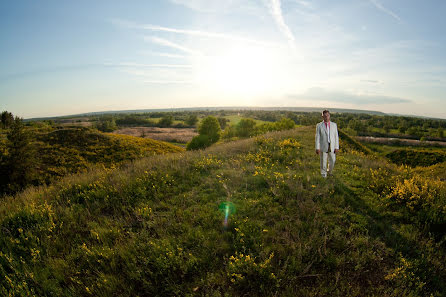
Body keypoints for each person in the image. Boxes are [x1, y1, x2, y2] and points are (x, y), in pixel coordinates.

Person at [315, 110, 339, 178]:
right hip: (323, 146)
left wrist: (337, 147)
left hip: (332, 146)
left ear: (329, 116)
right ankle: (323, 175)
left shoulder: (334, 125)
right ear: (322, 117)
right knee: (323, 161)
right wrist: (317, 148)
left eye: (327, 115)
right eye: (325, 116)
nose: (326, 117)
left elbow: (336, 136)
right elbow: (317, 137)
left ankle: (330, 171)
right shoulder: (319, 125)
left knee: (333, 160)